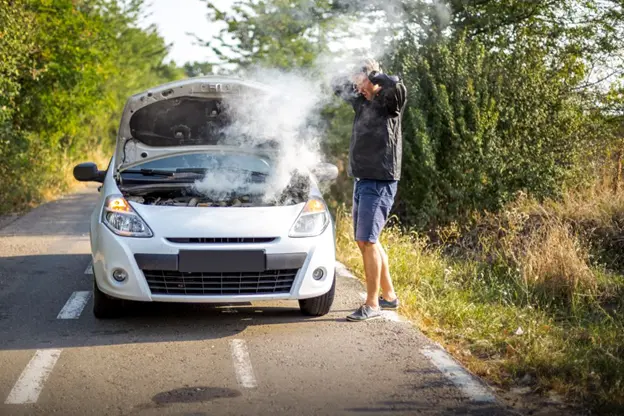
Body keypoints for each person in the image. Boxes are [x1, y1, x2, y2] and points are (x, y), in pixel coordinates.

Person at [331, 58, 408, 322]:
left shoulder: (389, 102)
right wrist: (355, 76)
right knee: (366, 240)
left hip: (380, 180)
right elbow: (334, 85)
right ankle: (389, 296)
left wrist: (374, 76)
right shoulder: (361, 102)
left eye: (361, 84)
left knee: (368, 240)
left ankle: (372, 303)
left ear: (373, 79)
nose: (358, 89)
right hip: (363, 178)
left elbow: (396, 85)